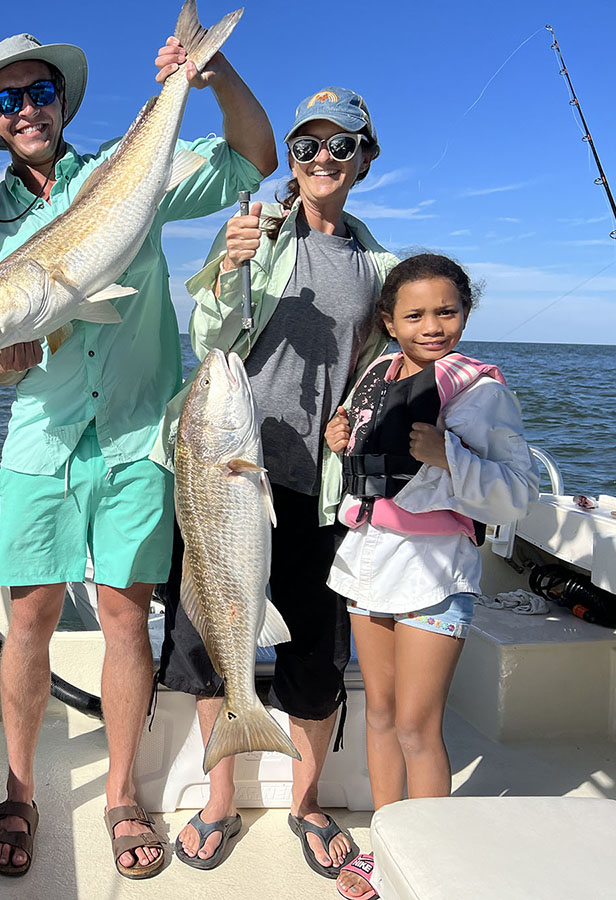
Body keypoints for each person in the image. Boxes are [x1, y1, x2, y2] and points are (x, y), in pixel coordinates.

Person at [0, 25, 276, 880]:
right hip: (43, 441)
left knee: (127, 615)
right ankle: (20, 791)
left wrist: (211, 74)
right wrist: (0, 358)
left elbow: (253, 158)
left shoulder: (129, 172)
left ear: (62, 101)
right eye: (8, 99)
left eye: (40, 92)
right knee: (29, 619)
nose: (27, 109)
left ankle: (122, 794)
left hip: (140, 436)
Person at [154, 87, 398, 875]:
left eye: (340, 146)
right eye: (306, 146)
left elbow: (385, 371)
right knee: (208, 642)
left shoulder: (379, 265)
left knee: (315, 659)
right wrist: (230, 269)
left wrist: (363, 429)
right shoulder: (257, 232)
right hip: (222, 478)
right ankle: (219, 797)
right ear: (290, 159)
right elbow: (210, 339)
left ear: (365, 159)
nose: (320, 159)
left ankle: (304, 800)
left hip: (317, 488)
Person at [324, 255, 536, 899]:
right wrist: (341, 439)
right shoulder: (373, 378)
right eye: (414, 314)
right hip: (367, 565)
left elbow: (516, 495)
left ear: (465, 314)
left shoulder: (483, 393)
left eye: (446, 311)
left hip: (436, 574)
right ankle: (386, 845)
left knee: (419, 725)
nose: (432, 326)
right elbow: (366, 463)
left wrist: (450, 456)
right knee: (379, 717)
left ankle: (432, 854)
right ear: (388, 322)